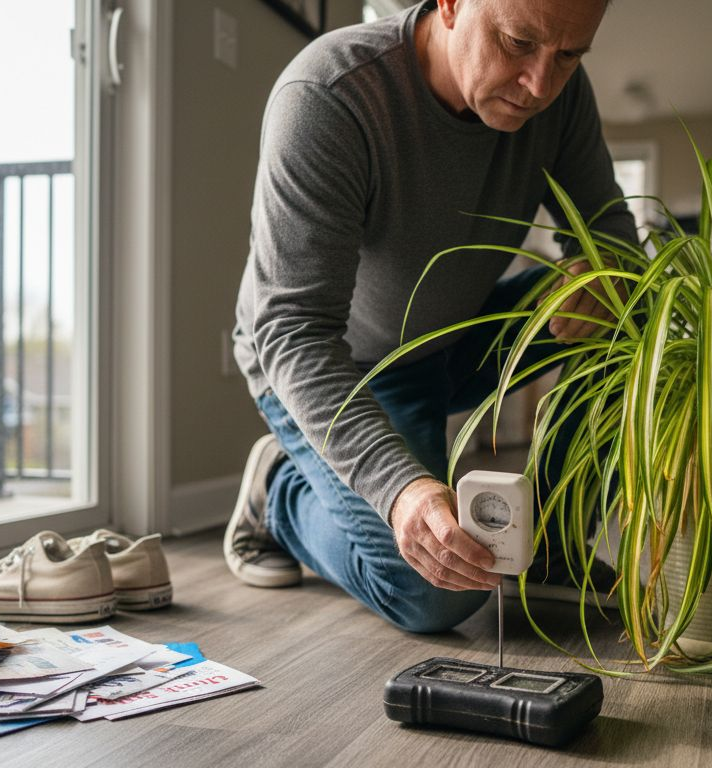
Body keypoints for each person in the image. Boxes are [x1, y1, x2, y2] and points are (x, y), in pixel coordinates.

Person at [226, 0, 634, 633]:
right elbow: (295, 332)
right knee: (435, 595)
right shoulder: (329, 97)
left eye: (569, 55)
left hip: (453, 333)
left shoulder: (562, 94)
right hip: (346, 364)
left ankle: (549, 543)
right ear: (448, 5)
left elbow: (611, 230)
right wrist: (401, 491)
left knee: (630, 314)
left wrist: (600, 269)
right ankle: (278, 494)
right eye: (517, 42)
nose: (540, 86)